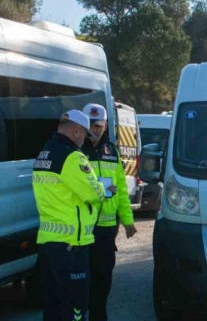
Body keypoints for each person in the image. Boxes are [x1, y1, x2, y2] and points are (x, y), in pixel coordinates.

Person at [32, 110, 116, 321]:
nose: (84, 141)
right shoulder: (72, 157)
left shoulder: (44, 153)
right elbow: (93, 193)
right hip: (71, 244)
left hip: (48, 241)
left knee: (53, 305)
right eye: (84, 135)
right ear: (76, 130)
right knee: (76, 305)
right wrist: (102, 188)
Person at [80, 103, 137, 321]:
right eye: (91, 125)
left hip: (106, 229)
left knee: (104, 280)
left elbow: (121, 188)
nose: (95, 130)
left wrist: (128, 220)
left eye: (99, 126)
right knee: (83, 280)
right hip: (84, 227)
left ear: (105, 126)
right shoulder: (77, 150)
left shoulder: (110, 150)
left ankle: (98, 316)